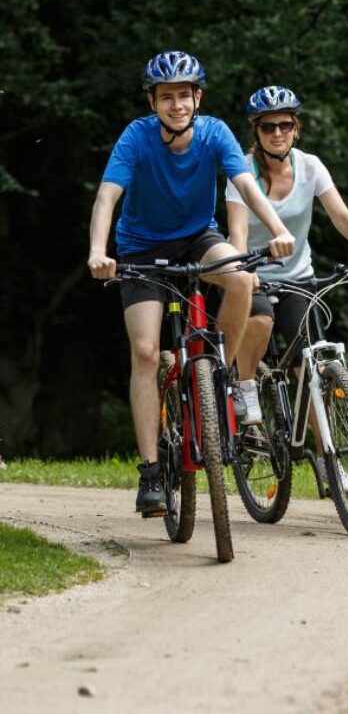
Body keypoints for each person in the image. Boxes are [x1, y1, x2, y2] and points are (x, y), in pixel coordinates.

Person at [87, 52, 294, 514]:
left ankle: (220, 371)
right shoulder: (136, 137)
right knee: (144, 352)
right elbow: (107, 196)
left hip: (198, 239)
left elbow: (245, 184)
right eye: (167, 97)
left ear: (197, 97)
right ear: (153, 101)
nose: (177, 104)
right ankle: (150, 473)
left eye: (184, 94)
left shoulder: (215, 133)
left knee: (240, 279)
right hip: (140, 248)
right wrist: (99, 251)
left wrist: (277, 229)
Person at [225, 85, 348, 482]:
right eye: (269, 127)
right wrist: (244, 272)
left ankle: (330, 461)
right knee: (261, 321)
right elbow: (236, 234)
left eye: (285, 124)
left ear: (296, 128)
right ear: (257, 131)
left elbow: (341, 215)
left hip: (299, 277)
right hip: (252, 277)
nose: (277, 133)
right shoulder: (241, 172)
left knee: (311, 365)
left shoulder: (311, 167)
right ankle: (245, 385)